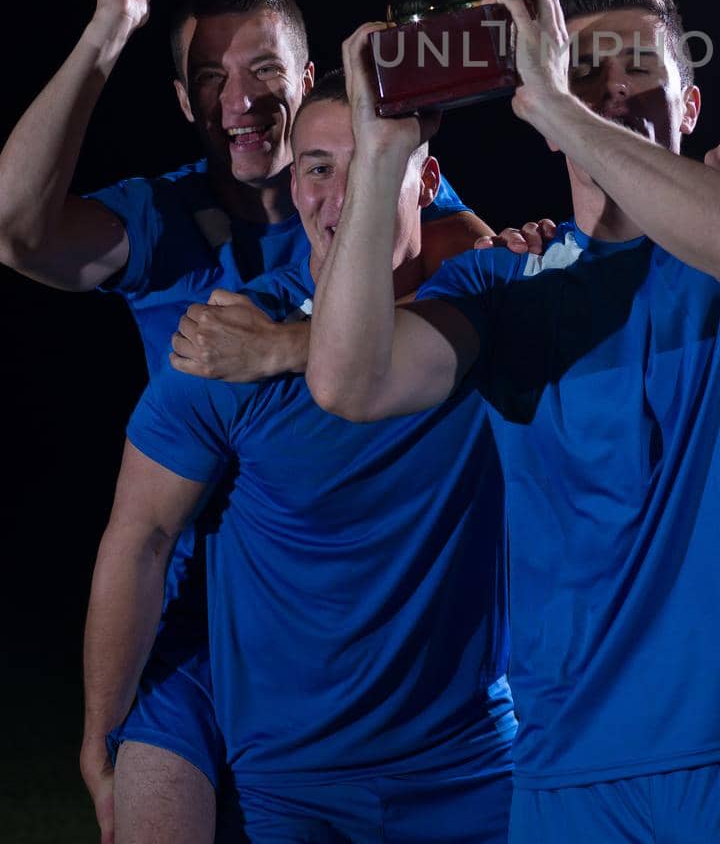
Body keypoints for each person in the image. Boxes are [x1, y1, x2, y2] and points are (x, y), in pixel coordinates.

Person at [306, 0, 720, 844]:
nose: (611, 86)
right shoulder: (502, 281)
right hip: (571, 768)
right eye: (585, 66)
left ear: (689, 106)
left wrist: (565, 109)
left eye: (640, 66)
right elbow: (348, 383)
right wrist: (383, 155)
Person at [0, 0, 479, 840]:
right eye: (209, 78)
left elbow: (482, 310)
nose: (241, 101)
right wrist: (109, 32)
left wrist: (285, 348)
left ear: (307, 76)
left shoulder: (385, 199)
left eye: (264, 70)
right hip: (192, 621)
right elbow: (16, 229)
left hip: (338, 620)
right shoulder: (165, 220)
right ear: (183, 103)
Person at [83, 71, 513, 843]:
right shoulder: (224, 343)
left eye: (375, 161)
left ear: (428, 182)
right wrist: (98, 738)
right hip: (290, 781)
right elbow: (140, 536)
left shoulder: (490, 302)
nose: (345, 194)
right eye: (318, 167)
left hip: (473, 768)